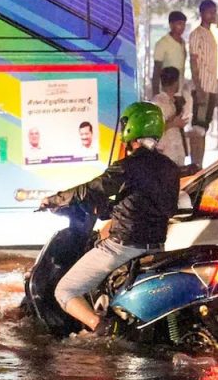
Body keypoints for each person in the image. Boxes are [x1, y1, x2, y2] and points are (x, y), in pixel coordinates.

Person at [40, 102, 179, 336]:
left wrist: (55, 200)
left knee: (65, 290)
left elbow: (92, 189)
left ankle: (104, 328)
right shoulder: (170, 168)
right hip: (156, 248)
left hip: (123, 248)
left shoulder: (128, 166)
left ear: (129, 128)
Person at [188, 0, 218, 169]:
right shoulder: (196, 34)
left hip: (211, 88)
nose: (213, 15)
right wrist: (199, 88)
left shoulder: (211, 35)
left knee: (203, 129)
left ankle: (200, 165)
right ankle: (195, 165)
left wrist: (217, 91)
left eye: (214, 12)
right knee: (197, 129)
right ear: (202, 13)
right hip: (202, 88)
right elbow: (193, 62)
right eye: (210, 12)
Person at [150, 67, 191, 167]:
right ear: (176, 82)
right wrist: (174, 123)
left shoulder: (175, 102)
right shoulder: (158, 102)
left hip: (176, 152)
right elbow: (153, 129)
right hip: (165, 155)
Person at [152, 10, 188, 96]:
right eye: (179, 23)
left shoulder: (182, 43)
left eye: (184, 24)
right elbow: (157, 70)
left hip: (179, 92)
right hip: (166, 92)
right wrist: (156, 94)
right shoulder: (162, 43)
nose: (182, 27)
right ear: (171, 25)